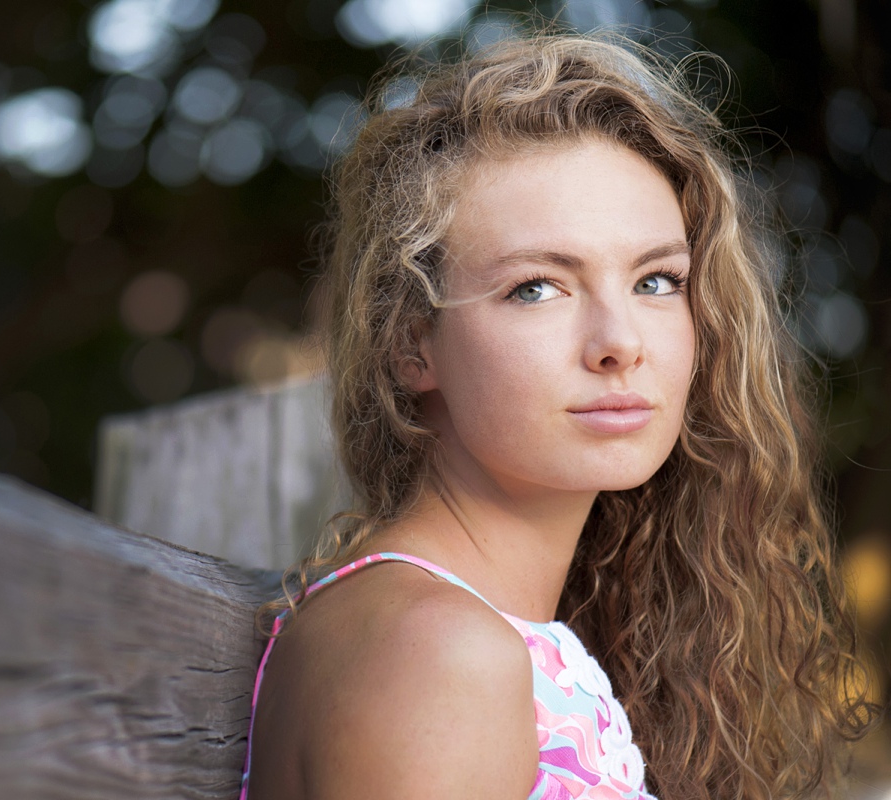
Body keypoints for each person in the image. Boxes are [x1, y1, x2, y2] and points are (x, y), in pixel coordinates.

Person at [238, 31, 877, 800]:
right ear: (412, 343)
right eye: (537, 287)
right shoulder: (438, 653)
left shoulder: (473, 631)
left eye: (657, 281)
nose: (619, 344)